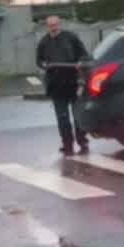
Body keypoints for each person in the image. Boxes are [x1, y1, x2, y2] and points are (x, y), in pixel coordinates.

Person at [35, 15, 90, 155]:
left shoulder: (70, 37)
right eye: (50, 25)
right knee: (62, 118)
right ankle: (67, 145)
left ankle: (82, 142)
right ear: (47, 27)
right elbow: (39, 60)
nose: (53, 28)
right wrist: (43, 64)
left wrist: (80, 62)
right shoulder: (43, 42)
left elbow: (84, 54)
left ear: (59, 24)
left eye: (55, 25)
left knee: (78, 115)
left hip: (73, 83)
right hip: (56, 86)